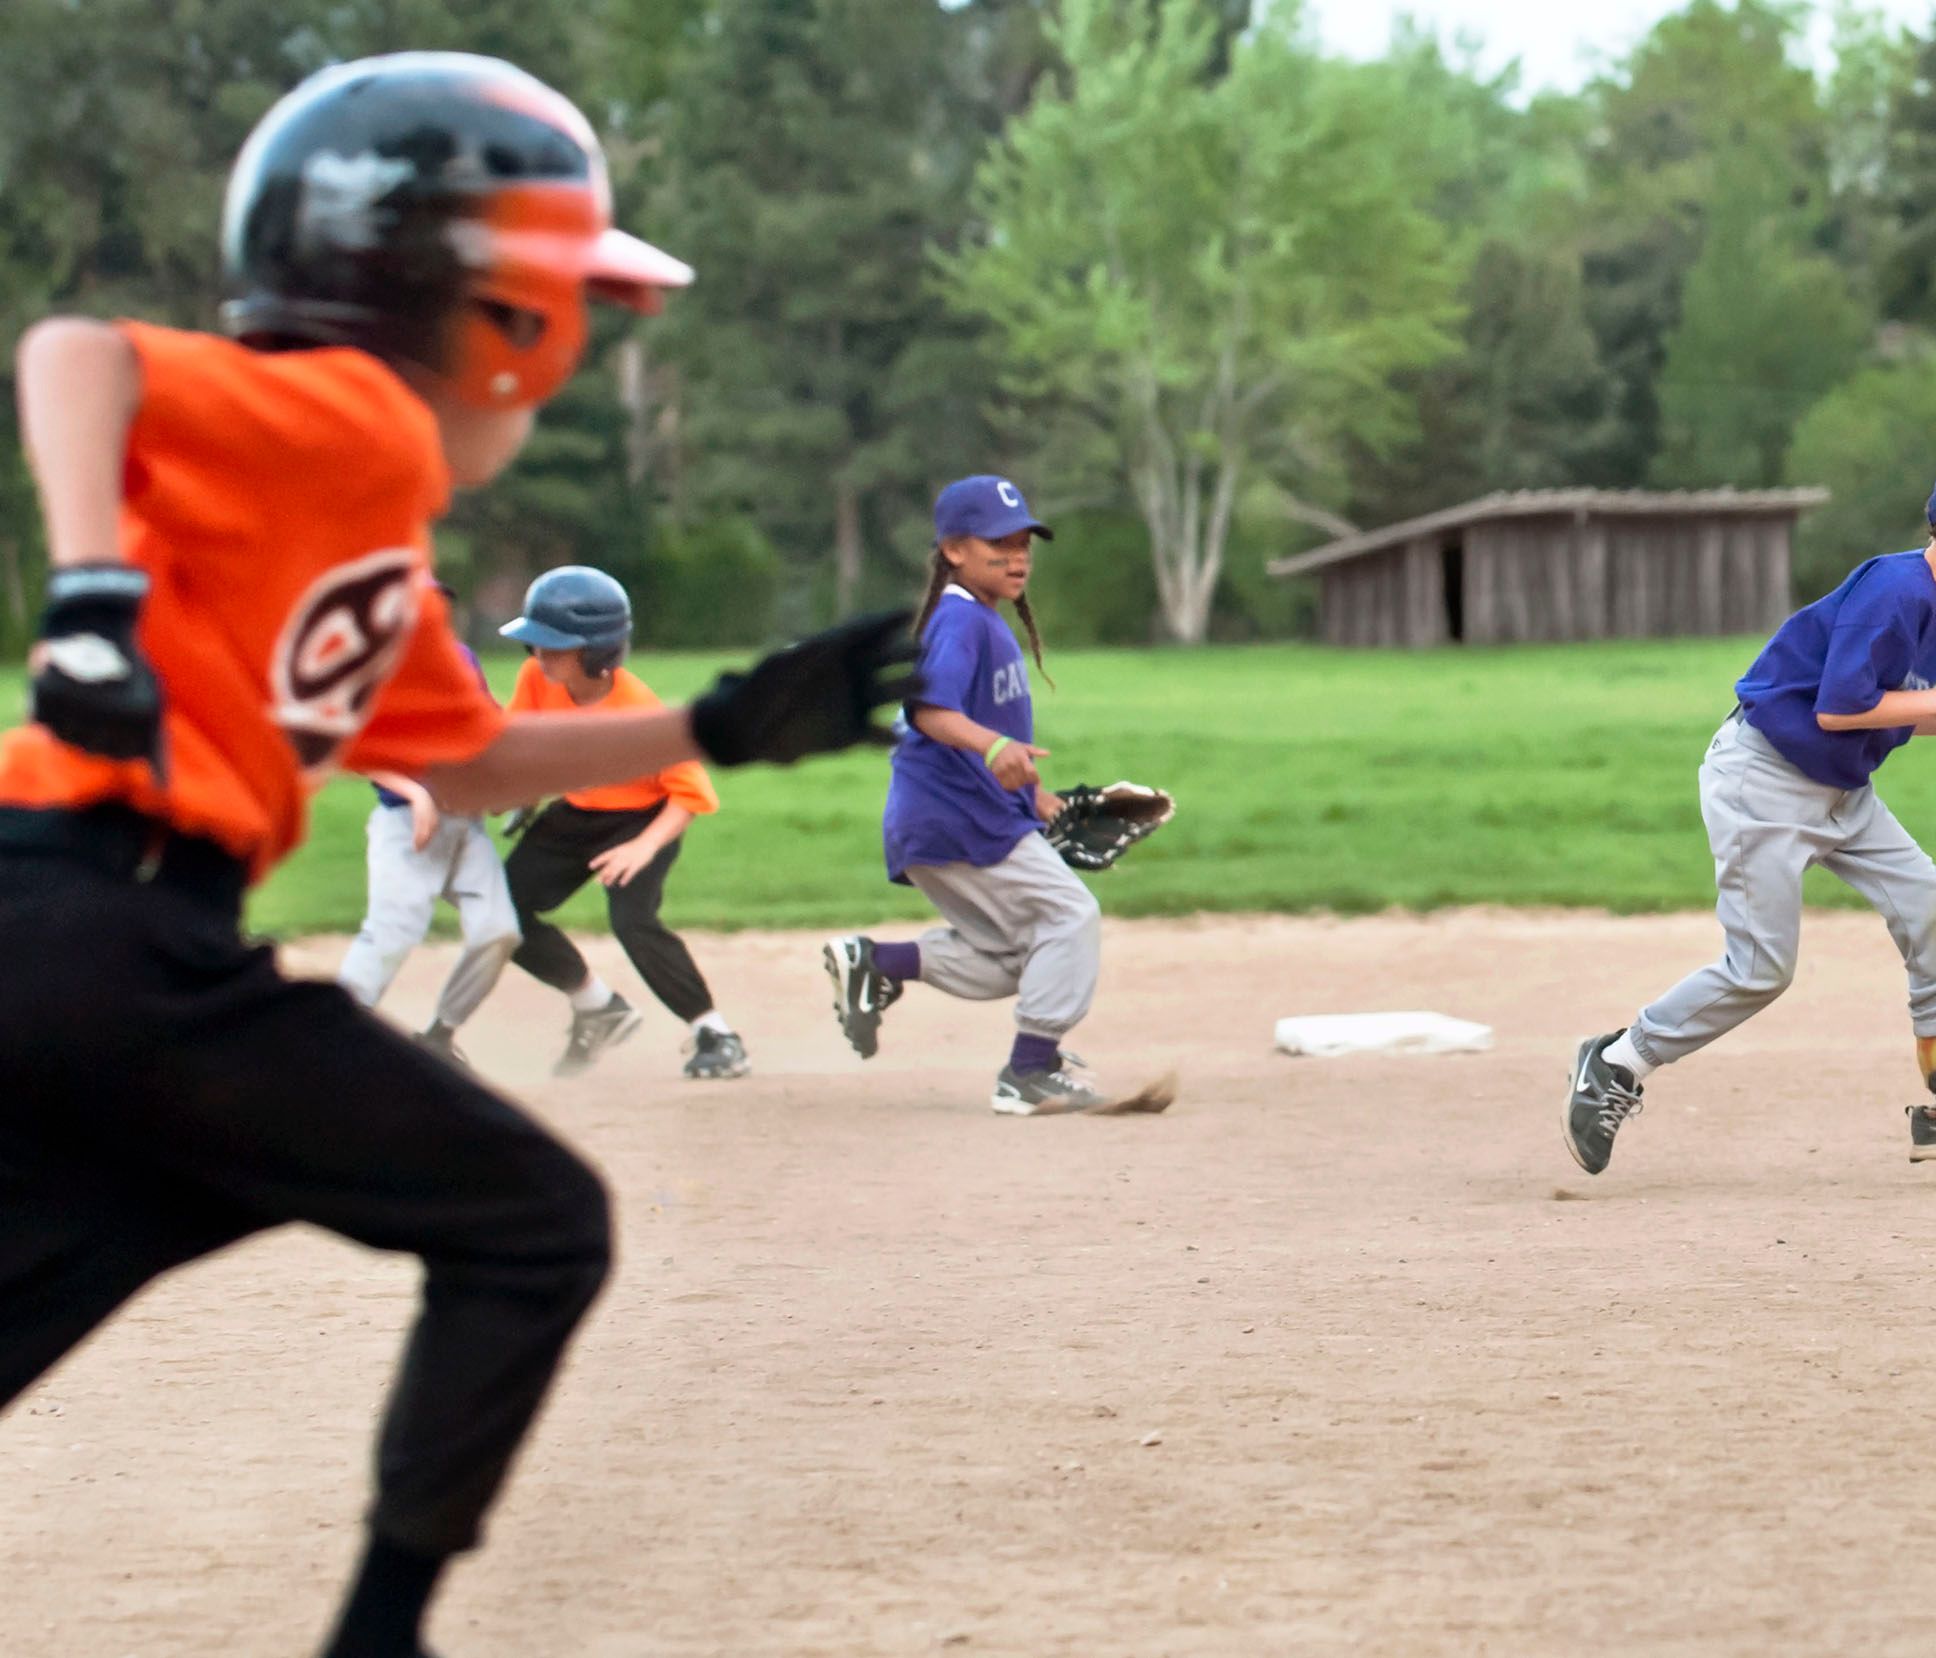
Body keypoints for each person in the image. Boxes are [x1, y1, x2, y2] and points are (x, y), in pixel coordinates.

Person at [0, 53, 910, 1658]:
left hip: (80, 931)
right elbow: (77, 355)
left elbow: (465, 754)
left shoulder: (365, 526)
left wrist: (714, 720)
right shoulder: (349, 412)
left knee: (94, 1233)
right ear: (494, 314)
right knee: (532, 1222)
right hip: (104, 924)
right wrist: (85, 605)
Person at [1561, 444, 1936, 1175]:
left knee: (1932, 908)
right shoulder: (1896, 590)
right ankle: (1616, 1063)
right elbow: (1840, 709)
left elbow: (1884, 713)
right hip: (1765, 784)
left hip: (1843, 790)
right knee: (1760, 969)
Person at [820, 475, 1122, 1115]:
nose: (1016, 558)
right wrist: (991, 747)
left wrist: (1039, 802)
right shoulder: (958, 621)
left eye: (1023, 545)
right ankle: (1029, 1072)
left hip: (945, 820)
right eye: (998, 545)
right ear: (954, 550)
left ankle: (879, 963)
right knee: (1071, 917)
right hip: (958, 821)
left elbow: (990, 733)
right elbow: (928, 708)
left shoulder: (976, 620)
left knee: (1023, 956)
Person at [498, 565, 748, 1080]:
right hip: (578, 811)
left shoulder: (637, 709)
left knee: (632, 919)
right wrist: (522, 796)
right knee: (502, 912)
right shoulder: (536, 679)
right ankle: (597, 1006)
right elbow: (527, 741)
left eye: (554, 645)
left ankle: (715, 1033)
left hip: (644, 818)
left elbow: (690, 794)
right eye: (535, 643)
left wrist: (644, 847)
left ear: (597, 650)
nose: (539, 656)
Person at [336, 586, 518, 1067]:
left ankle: (440, 1033)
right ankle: (327, 1042)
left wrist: (506, 786)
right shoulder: (376, 671)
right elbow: (351, 749)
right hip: (405, 824)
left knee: (498, 932)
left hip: (465, 824)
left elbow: (487, 729)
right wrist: (415, 793)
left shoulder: (461, 661)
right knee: (392, 932)